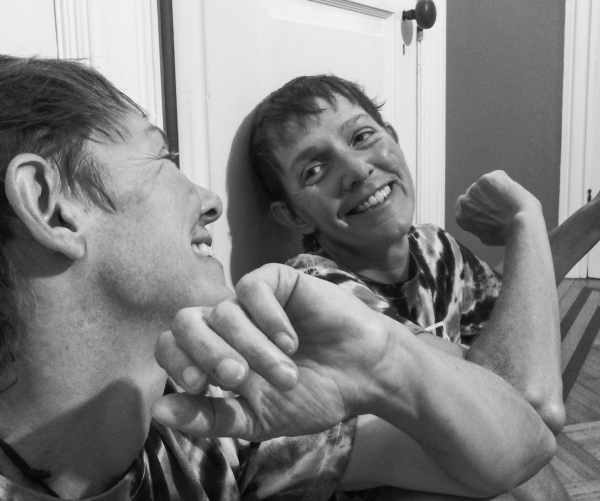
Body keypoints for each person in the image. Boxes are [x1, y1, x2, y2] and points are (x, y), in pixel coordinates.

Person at [0, 55, 555, 500]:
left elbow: (524, 446)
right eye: (164, 156)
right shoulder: (311, 297)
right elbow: (529, 392)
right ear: (51, 206)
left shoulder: (218, 419)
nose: (212, 202)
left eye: (363, 137)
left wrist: (388, 362)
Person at [246, 74, 596, 500]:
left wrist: (592, 217)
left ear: (393, 138)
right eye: (315, 170)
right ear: (294, 216)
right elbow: (520, 402)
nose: (356, 170)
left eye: (362, 137)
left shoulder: (432, 245)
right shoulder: (318, 289)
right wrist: (524, 218)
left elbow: (515, 313)